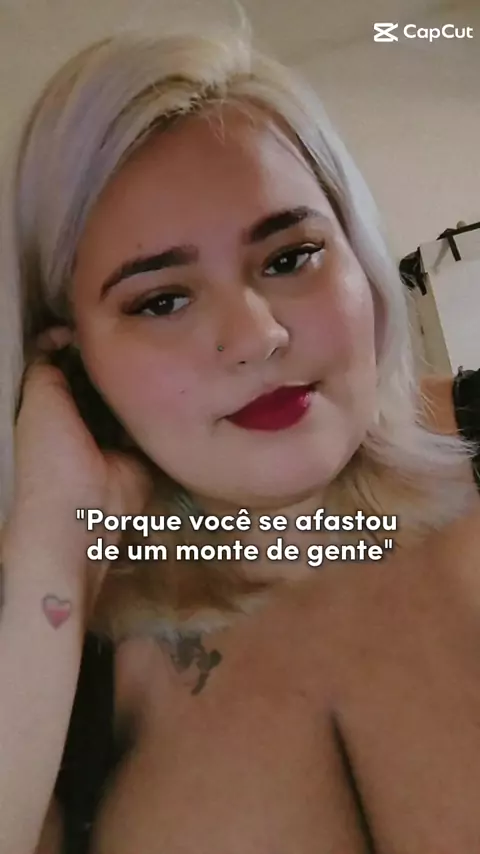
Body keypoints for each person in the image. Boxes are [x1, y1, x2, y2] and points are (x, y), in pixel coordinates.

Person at [1, 27, 480, 854]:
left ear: (360, 257)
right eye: (161, 301)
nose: (258, 336)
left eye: (291, 256)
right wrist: (52, 550)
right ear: (71, 361)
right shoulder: (54, 661)